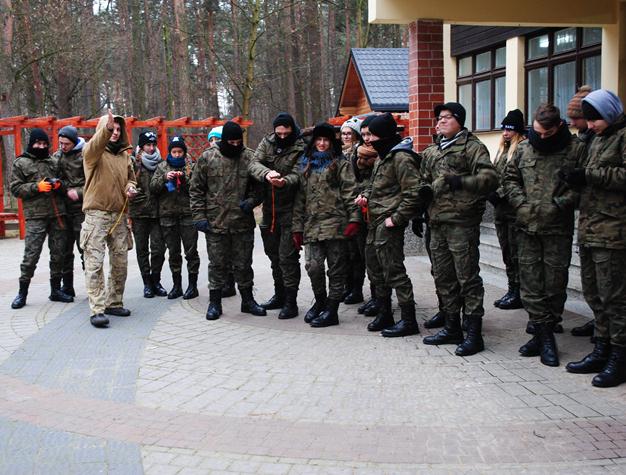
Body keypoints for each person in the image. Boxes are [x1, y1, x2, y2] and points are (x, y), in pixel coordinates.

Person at [503, 103, 585, 366]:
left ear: (559, 126)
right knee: (530, 283)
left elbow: (583, 185)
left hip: (556, 229)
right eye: (537, 132)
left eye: (546, 133)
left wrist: (560, 204)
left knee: (554, 284)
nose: (541, 137)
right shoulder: (524, 148)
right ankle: (542, 334)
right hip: (526, 226)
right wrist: (520, 204)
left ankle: (546, 332)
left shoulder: (576, 149)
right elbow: (510, 179)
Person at [420, 102, 498, 356]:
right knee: (444, 277)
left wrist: (461, 181)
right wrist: (418, 209)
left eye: (447, 117)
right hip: (437, 222)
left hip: (461, 223)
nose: (441, 121)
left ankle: (474, 334)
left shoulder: (472, 147)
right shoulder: (432, 150)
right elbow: (422, 182)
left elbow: (490, 179)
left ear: (459, 121)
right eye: (439, 118)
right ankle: (452, 326)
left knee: (467, 278)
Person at [563, 90, 626, 387]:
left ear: (609, 113)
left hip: (614, 231)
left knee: (615, 298)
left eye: (595, 119)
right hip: (590, 228)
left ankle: (620, 357)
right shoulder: (597, 138)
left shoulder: (622, 136)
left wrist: (589, 175)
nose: (590, 125)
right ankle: (601, 348)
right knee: (594, 294)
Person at [355, 113, 427, 337]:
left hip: (389, 225)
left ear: (385, 136)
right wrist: (365, 195)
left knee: (394, 271)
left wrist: (397, 218)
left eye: (373, 135)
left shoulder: (401, 158)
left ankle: (408, 320)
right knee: (375, 270)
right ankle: (384, 312)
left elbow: (415, 193)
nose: (369, 139)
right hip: (374, 222)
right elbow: (376, 186)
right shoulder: (383, 157)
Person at [191, 121, 265, 320]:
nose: (235, 145)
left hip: (242, 222)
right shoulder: (208, 158)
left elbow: (260, 188)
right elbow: (196, 189)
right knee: (217, 265)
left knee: (244, 264)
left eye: (238, 142)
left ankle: (248, 301)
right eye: (231, 142)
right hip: (216, 223)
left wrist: (252, 201)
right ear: (224, 140)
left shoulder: (249, 157)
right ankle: (215, 303)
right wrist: (199, 217)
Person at [292, 122, 360, 327]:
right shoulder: (306, 164)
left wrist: (354, 219)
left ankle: (332, 309)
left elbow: (350, 192)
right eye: (319, 140)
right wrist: (297, 228)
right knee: (313, 266)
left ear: (332, 142)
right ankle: (320, 301)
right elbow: (299, 198)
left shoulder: (341, 164)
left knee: (336, 269)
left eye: (326, 140)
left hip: (336, 224)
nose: (322, 143)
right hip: (312, 225)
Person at [81, 111, 137, 328]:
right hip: (97, 215)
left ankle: (114, 302)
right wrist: (105, 128)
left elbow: (131, 179)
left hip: (119, 215)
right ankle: (97, 309)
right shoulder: (92, 153)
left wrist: (130, 188)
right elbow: (95, 144)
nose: (115, 133)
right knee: (94, 263)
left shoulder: (125, 156)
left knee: (120, 261)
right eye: (112, 129)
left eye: (118, 130)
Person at [249, 113, 305, 319]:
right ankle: (279, 295)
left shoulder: (301, 146)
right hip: (270, 210)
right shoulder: (268, 142)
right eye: (278, 133)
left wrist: (284, 181)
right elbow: (254, 163)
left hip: (291, 209)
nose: (281, 137)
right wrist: (266, 173)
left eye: (286, 133)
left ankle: (291, 302)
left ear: (292, 130)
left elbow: (300, 173)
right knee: (273, 256)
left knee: (287, 257)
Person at [10, 128, 73, 309]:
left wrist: (59, 185)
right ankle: (22, 293)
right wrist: (36, 187)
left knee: (58, 254)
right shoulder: (21, 163)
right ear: (32, 143)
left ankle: (55, 290)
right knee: (31, 255)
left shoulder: (54, 161)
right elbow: (15, 188)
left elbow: (66, 183)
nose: (41, 146)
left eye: (45, 144)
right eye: (38, 143)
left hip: (57, 214)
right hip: (35, 216)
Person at [150, 136, 199, 300]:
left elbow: (197, 187)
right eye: (174, 152)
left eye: (180, 152)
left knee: (191, 252)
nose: (177, 155)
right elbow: (153, 188)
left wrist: (184, 179)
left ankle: (192, 286)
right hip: (168, 216)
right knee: (174, 253)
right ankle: (176, 285)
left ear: (184, 152)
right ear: (170, 152)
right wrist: (165, 178)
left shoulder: (191, 166)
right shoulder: (162, 167)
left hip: (188, 215)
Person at [566, 85, 596, 338]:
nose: (572, 123)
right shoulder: (583, 140)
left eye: (577, 118)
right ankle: (599, 322)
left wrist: (587, 175)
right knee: (591, 281)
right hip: (589, 219)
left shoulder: (613, 139)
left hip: (610, 223)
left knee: (610, 286)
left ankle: (608, 337)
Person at [489, 110, 526, 310]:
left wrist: (500, 193)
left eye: (509, 130)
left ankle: (519, 291)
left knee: (515, 252)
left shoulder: (521, 149)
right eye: (504, 129)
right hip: (501, 210)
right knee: (506, 252)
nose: (505, 133)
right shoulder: (502, 150)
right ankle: (512, 289)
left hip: (514, 210)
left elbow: (517, 180)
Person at [129, 131, 167, 298]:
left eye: (153, 145)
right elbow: (125, 183)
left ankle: (156, 280)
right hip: (139, 213)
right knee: (142, 249)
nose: (151, 148)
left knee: (159, 249)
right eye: (147, 145)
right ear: (141, 146)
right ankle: (147, 283)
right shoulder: (133, 163)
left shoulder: (162, 163)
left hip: (157, 213)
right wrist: (133, 193)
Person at [353, 115, 380, 317]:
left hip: (379, 211)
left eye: (369, 134)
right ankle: (374, 297)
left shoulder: (384, 154)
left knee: (379, 259)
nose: (367, 138)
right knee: (366, 256)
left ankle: (381, 298)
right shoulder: (357, 153)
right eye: (363, 134)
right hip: (361, 211)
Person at [55, 126, 86, 297]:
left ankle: (93, 286)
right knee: (65, 250)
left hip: (81, 211)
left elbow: (94, 183)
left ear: (74, 142)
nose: (63, 146)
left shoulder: (85, 155)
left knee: (85, 250)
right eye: (60, 143)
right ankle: (67, 286)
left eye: (66, 144)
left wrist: (78, 192)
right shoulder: (57, 156)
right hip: (63, 211)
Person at [207, 124, 236, 298]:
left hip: (233, 214)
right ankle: (220, 285)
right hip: (214, 216)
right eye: (211, 139)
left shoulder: (235, 156)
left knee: (232, 253)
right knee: (217, 255)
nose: (213, 142)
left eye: (217, 139)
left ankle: (230, 283)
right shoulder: (206, 159)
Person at [339, 117, 365, 305]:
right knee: (345, 252)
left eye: (350, 133)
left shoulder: (361, 153)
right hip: (342, 208)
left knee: (356, 253)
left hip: (357, 206)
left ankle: (357, 289)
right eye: (344, 133)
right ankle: (347, 287)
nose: (346, 136)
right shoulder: (339, 153)